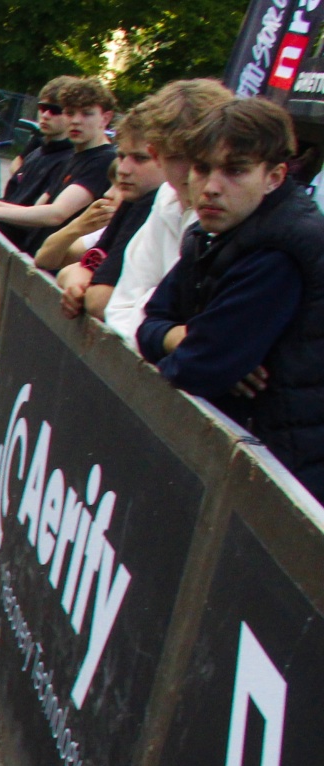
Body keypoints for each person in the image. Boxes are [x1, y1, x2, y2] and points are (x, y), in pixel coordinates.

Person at [139, 99, 324, 501]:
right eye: (202, 168)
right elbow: (150, 324)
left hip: (282, 481)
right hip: (239, 461)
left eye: (235, 170)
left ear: (274, 177)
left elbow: (197, 369)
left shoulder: (281, 251)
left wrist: (199, 349)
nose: (211, 186)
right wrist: (181, 337)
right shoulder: (212, 235)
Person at [102, 79, 233, 347]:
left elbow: (207, 335)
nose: (192, 172)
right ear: (157, 155)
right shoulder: (165, 199)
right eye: (177, 157)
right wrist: (163, 333)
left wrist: (153, 323)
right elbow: (120, 307)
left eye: (202, 159)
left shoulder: (232, 213)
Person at [40, 109, 164, 323]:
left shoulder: (151, 203)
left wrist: (84, 285)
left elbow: (99, 301)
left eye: (140, 158)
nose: (123, 170)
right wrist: (78, 227)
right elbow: (50, 261)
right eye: (122, 156)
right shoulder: (132, 201)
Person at [0, 76, 115, 244]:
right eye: (70, 113)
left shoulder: (104, 159)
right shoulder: (74, 157)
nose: (76, 120)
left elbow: (56, 214)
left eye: (86, 113)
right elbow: (33, 211)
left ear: (105, 118)